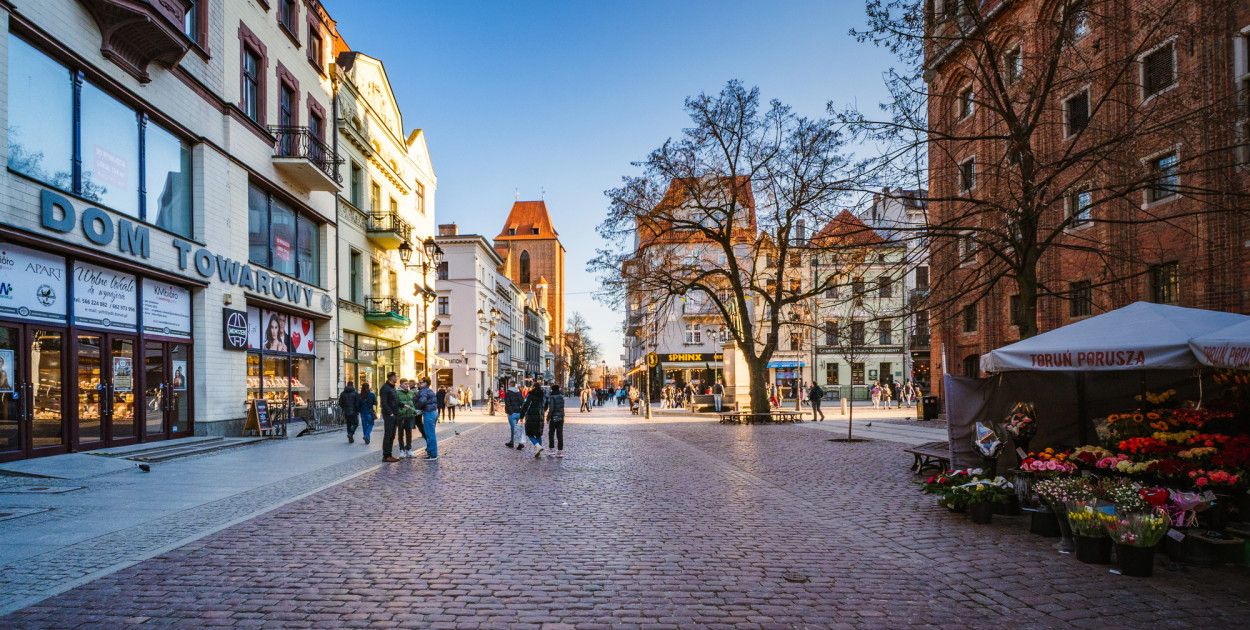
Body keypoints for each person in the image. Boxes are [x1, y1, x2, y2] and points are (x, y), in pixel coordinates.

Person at [518, 378, 547, 456]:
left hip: (531, 416)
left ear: (533, 387)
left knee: (529, 433)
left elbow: (525, 405)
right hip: (540, 417)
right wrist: (542, 411)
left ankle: (537, 446)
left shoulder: (530, 395)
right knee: (538, 434)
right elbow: (546, 405)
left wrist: (521, 416)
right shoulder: (543, 395)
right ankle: (539, 451)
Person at [416, 376, 439, 460]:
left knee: (430, 434)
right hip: (433, 412)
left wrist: (416, 406)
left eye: (421, 382)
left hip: (429, 413)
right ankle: (431, 452)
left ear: (425, 383)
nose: (419, 384)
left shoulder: (424, 391)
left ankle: (433, 454)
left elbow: (422, 401)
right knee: (430, 434)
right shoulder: (430, 390)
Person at [379, 372, 400, 462]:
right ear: (391, 378)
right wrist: (390, 413)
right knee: (388, 434)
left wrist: (403, 405)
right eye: (395, 377)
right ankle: (386, 455)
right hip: (389, 414)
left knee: (392, 435)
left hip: (394, 413)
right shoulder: (385, 388)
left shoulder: (392, 387)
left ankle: (389, 454)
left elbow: (395, 401)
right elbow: (384, 402)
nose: (396, 378)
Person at [395, 378, 417, 458]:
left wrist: (413, 410)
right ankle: (401, 450)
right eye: (405, 384)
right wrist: (400, 411)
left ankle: (409, 449)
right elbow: (396, 403)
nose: (407, 385)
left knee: (409, 433)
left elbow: (413, 403)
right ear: (400, 384)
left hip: (410, 415)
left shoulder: (411, 392)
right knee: (400, 434)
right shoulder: (397, 393)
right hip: (401, 416)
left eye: (408, 384)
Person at [504, 379, 524, 449]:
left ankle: (520, 443)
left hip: (512, 413)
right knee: (513, 428)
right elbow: (522, 402)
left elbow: (507, 403)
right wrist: (521, 412)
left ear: (509, 385)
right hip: (518, 412)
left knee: (514, 428)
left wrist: (510, 412)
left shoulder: (508, 393)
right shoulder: (519, 392)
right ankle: (511, 442)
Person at [547, 383, 566, 457]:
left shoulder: (552, 397)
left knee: (551, 433)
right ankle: (560, 450)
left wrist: (548, 417)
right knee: (559, 434)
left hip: (554, 417)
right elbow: (562, 408)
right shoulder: (561, 397)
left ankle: (552, 449)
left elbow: (551, 408)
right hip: (560, 417)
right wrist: (562, 416)